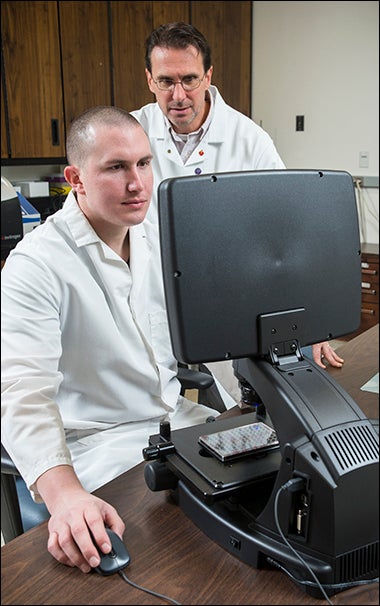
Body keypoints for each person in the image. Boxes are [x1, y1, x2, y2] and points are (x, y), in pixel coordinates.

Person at [1, 106, 221, 573]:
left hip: (177, 423)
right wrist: (65, 497)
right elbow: (21, 391)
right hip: (99, 449)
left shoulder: (158, 237)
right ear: (76, 179)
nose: (137, 183)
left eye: (144, 163)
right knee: (165, 563)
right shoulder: (35, 266)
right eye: (116, 167)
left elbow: (213, 320)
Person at [130, 21, 344, 373]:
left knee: (242, 410)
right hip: (149, 303)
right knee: (157, 413)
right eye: (166, 81)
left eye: (190, 79)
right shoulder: (130, 133)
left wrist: (312, 321)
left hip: (230, 302)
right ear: (150, 80)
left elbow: (286, 231)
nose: (179, 95)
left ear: (208, 76)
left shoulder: (249, 140)